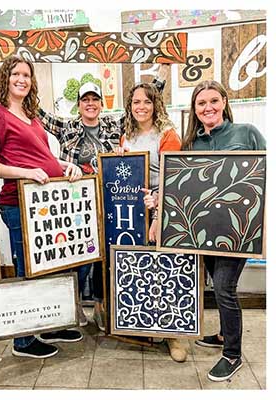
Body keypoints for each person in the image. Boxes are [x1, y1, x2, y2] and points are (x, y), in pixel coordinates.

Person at [145, 80, 266, 381]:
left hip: (239, 231)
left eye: (214, 101)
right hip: (205, 231)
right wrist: (158, 200)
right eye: (201, 103)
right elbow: (179, 187)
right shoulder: (191, 144)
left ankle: (232, 355)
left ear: (224, 102)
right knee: (216, 282)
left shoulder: (246, 133)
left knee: (224, 287)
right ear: (194, 109)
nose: (208, 107)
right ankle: (225, 335)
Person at [38, 69, 168, 332]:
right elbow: (40, 116)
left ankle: (102, 305)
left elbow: (142, 107)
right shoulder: (67, 126)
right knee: (79, 256)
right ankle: (73, 304)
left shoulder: (113, 124)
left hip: (113, 201)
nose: (90, 103)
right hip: (78, 203)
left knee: (106, 255)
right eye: (85, 99)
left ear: (101, 103)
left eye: (95, 99)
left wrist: (159, 82)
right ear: (79, 104)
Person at [0, 55, 84, 360]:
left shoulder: (30, 114)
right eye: (16, 74)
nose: (22, 79)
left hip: (46, 203)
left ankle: (50, 324)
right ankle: (22, 340)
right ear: (5, 78)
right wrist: (26, 173)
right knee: (28, 271)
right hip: (19, 203)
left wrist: (65, 164)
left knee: (50, 267)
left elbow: (39, 156)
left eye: (27, 75)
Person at [116, 82, 187, 363]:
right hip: (134, 211)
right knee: (139, 269)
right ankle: (143, 327)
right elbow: (125, 175)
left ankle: (173, 335)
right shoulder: (127, 136)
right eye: (135, 102)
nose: (141, 107)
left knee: (165, 270)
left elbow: (175, 179)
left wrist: (157, 215)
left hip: (163, 210)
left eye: (146, 101)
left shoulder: (168, 135)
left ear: (156, 104)